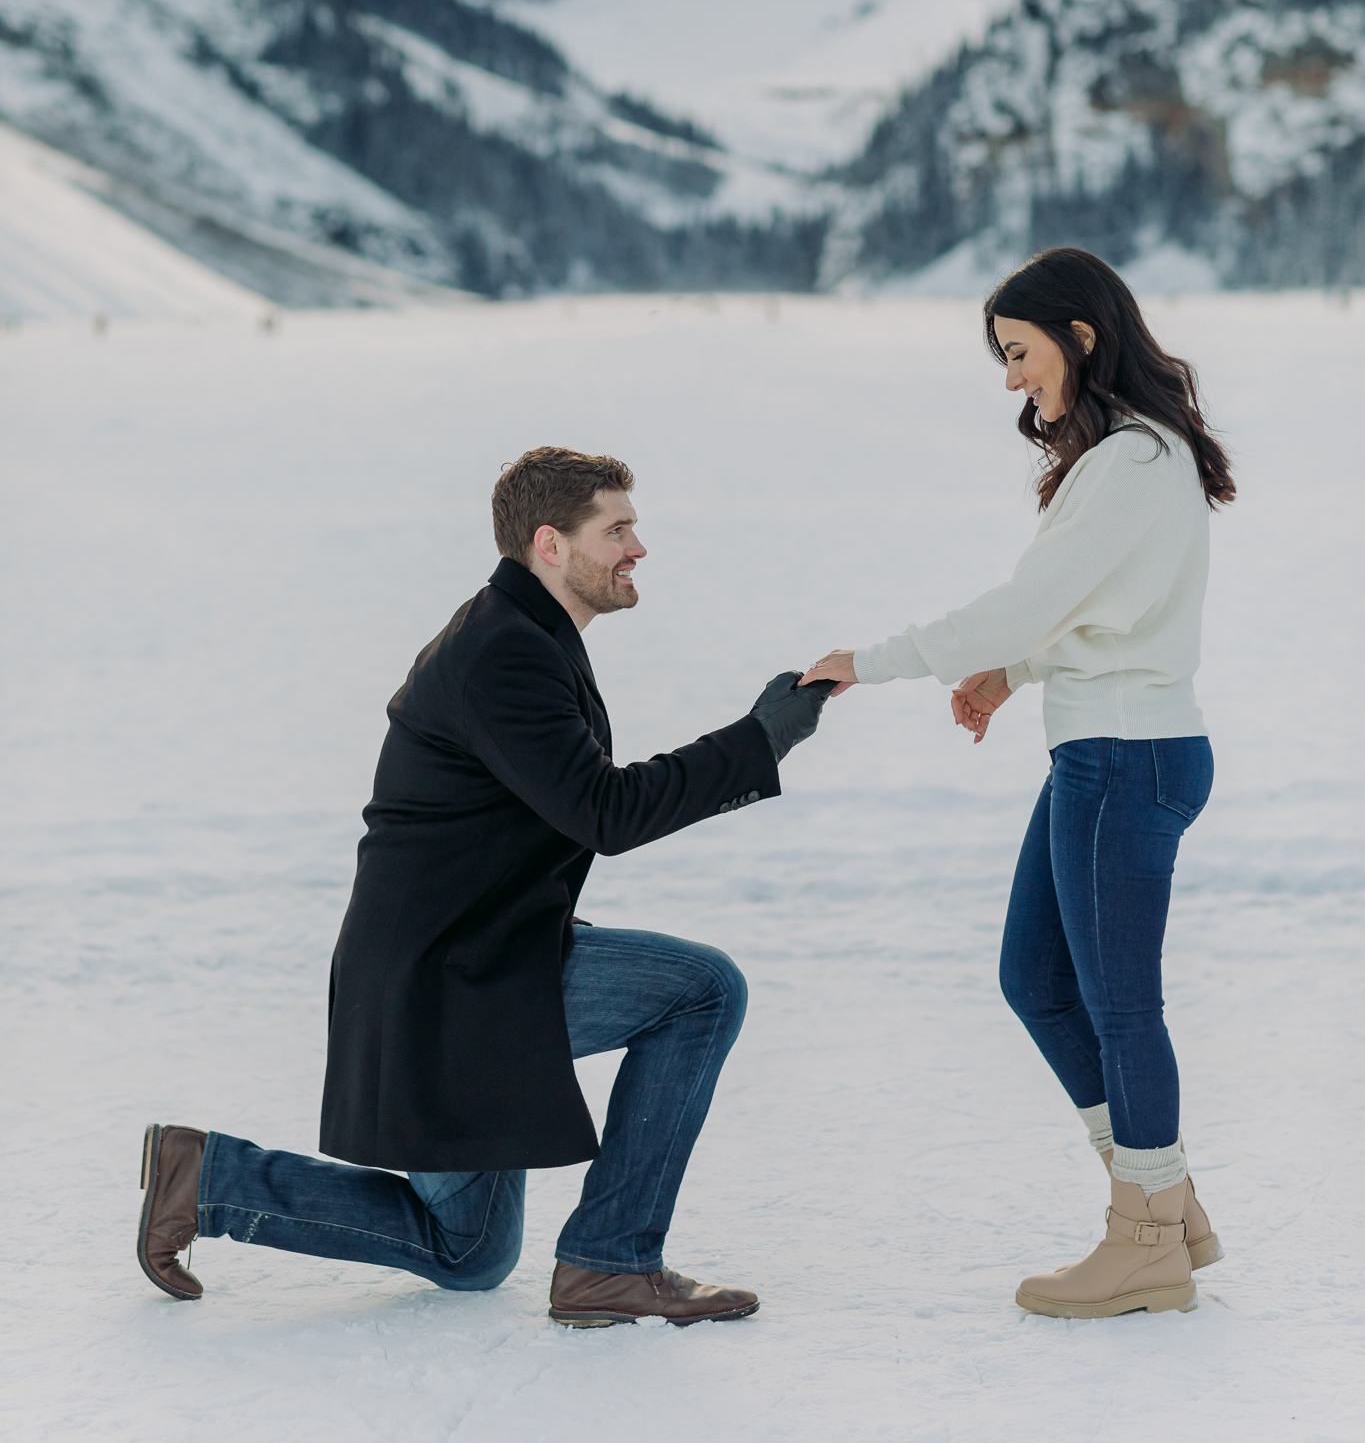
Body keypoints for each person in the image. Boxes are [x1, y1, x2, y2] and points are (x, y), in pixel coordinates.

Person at [138, 446, 832, 1327]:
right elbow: (605, 813)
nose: (638, 549)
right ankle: (610, 1261)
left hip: (478, 958)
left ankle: (209, 1180)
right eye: (616, 529)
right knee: (701, 991)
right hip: (450, 983)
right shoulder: (501, 654)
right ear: (550, 543)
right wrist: (758, 739)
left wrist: (758, 738)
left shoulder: (519, 634)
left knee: (466, 1253)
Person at [803, 247, 1235, 1320]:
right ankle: (1164, 1201)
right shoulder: (1139, 456)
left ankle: (1144, 1242)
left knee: (1122, 1006)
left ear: (1081, 336)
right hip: (1112, 745)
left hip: (1123, 755)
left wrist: (874, 658)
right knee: (1034, 975)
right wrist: (1017, 671)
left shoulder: (1132, 460)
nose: (1010, 378)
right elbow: (1102, 609)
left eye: (1019, 351)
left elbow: (1028, 599)